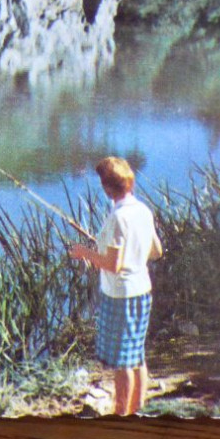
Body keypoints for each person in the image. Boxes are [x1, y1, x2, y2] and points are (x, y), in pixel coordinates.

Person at [68, 156, 163, 416]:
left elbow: (112, 265)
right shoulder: (143, 210)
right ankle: (138, 409)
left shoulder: (118, 218)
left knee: (123, 363)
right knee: (136, 356)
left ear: (107, 188)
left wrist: (84, 252)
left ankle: (122, 415)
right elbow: (156, 251)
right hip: (142, 290)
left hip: (122, 296)